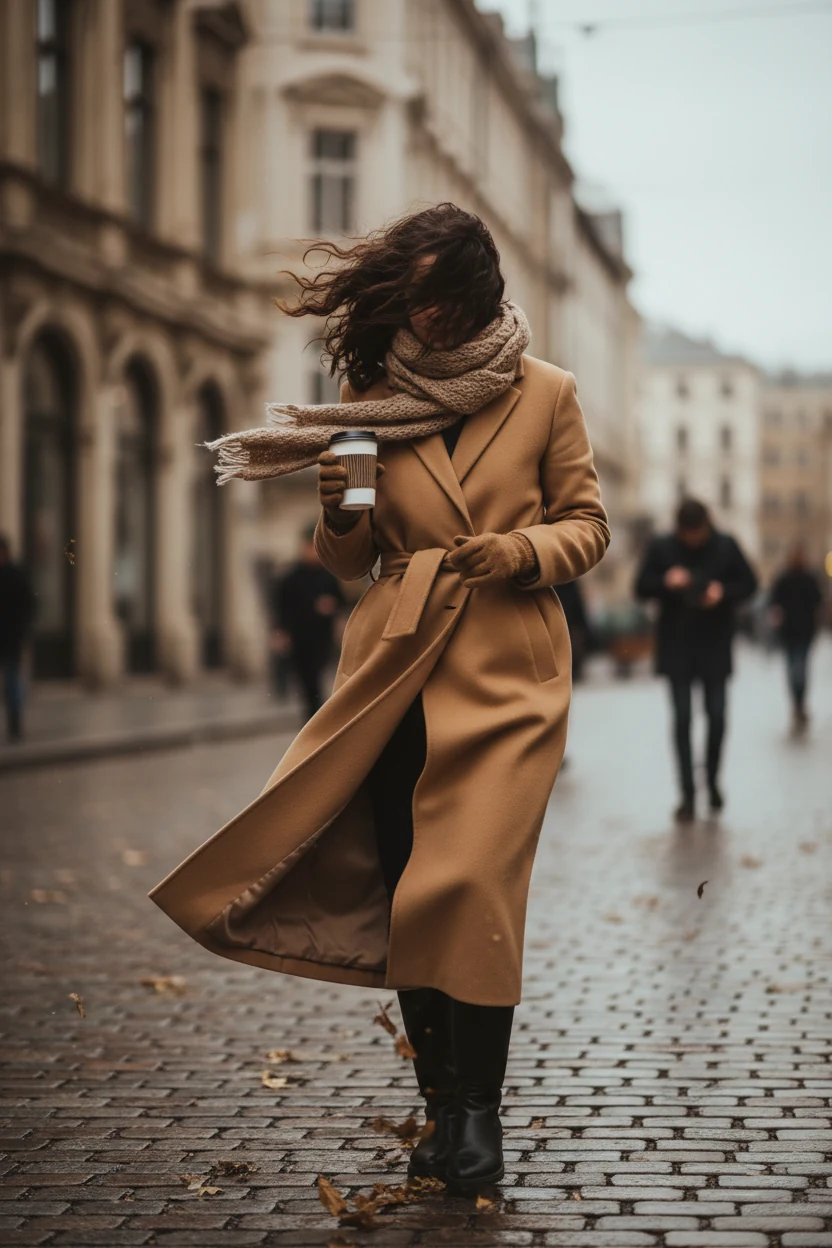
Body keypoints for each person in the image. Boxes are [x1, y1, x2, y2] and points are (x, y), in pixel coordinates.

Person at [151, 204, 610, 1194]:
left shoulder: (546, 394)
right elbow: (350, 560)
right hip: (395, 665)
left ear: (483, 295)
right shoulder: (367, 394)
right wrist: (339, 511)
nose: (431, 320)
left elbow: (586, 527)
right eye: (416, 300)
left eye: (447, 301)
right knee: (409, 884)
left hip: (503, 670)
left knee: (470, 885)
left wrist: (521, 550)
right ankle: (445, 1114)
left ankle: (476, 1125)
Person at [635, 498, 757, 822]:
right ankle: (687, 794)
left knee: (716, 718)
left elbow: (751, 584)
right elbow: (640, 587)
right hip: (676, 648)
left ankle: (713, 781)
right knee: (682, 721)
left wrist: (722, 592)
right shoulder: (663, 547)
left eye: (696, 533)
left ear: (706, 526)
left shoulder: (726, 546)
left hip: (715, 647)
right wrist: (665, 581)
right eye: (686, 534)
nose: (691, 540)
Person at [267, 526, 346, 721]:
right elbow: (280, 607)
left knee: (316, 677)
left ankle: (316, 718)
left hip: (321, 636)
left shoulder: (328, 577)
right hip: (298, 636)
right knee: (305, 679)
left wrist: (331, 607)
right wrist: (280, 632)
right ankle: (313, 718)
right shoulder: (290, 577)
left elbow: (341, 602)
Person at [769, 545, 823, 731]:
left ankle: (797, 702)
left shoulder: (789, 578)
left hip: (795, 630)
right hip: (799, 630)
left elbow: (774, 600)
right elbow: (818, 601)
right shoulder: (805, 578)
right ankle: (798, 702)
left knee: (795, 666)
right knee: (799, 666)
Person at [0, 536, 35, 742]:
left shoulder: (14, 576)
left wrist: (21, 632)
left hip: (11, 640)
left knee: (12, 682)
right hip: (9, 639)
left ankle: (15, 724)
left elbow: (27, 607)